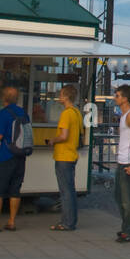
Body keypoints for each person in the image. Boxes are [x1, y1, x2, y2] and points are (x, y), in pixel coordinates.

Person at [0, 86, 29, 232]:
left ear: (3, 98)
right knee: (15, 190)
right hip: (20, 156)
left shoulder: (3, 114)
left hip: (4, 155)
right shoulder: (23, 113)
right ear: (16, 99)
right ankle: (11, 221)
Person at [44, 84, 83, 231]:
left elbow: (64, 135)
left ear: (66, 97)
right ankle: (71, 220)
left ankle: (66, 222)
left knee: (65, 191)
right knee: (70, 190)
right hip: (72, 154)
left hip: (64, 155)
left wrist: (53, 140)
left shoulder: (66, 113)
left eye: (61, 94)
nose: (59, 97)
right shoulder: (77, 112)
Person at [112, 84, 130, 242]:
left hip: (129, 161)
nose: (115, 98)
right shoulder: (123, 116)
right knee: (119, 195)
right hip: (122, 160)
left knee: (128, 198)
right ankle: (127, 227)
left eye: (117, 95)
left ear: (124, 98)